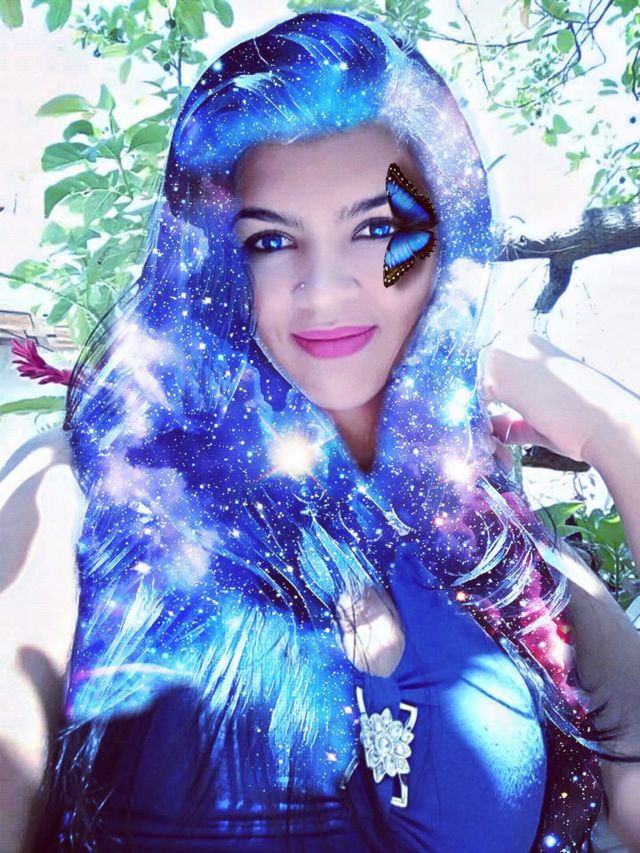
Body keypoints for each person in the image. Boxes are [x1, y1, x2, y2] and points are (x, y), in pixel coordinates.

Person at [3, 10, 640, 852]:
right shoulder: (86, 491)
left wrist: (607, 426)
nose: (325, 289)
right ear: (220, 267)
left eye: (377, 227)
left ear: (446, 241)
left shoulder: (508, 560)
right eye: (271, 240)